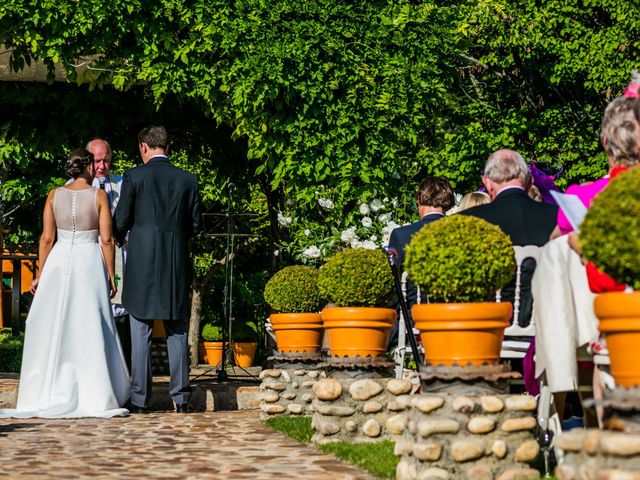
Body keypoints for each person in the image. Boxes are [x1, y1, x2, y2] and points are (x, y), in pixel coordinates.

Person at [0, 149, 130, 418]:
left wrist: (40, 273)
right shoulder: (99, 196)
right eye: (93, 165)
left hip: (59, 261)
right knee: (90, 321)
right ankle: (94, 390)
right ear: (87, 168)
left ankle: (47, 389)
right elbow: (106, 240)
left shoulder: (53, 195)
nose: (97, 168)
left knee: (53, 321)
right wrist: (110, 273)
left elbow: (47, 239)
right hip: (88, 261)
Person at [114, 125, 201, 414]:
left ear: (143, 147)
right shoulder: (188, 179)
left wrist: (122, 236)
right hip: (175, 261)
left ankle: (140, 399)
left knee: (141, 330)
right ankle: (182, 398)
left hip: (141, 262)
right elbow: (195, 225)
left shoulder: (134, 176)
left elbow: (121, 219)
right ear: (167, 145)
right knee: (177, 330)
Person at [461, 149, 558, 327]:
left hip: (486, 326)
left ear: (487, 183)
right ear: (530, 182)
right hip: (547, 324)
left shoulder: (465, 222)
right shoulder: (559, 218)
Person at [387, 177, 455, 345]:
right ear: (448, 202)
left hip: (414, 318)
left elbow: (393, 284)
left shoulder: (401, 235)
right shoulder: (461, 231)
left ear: (419, 200)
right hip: (454, 315)